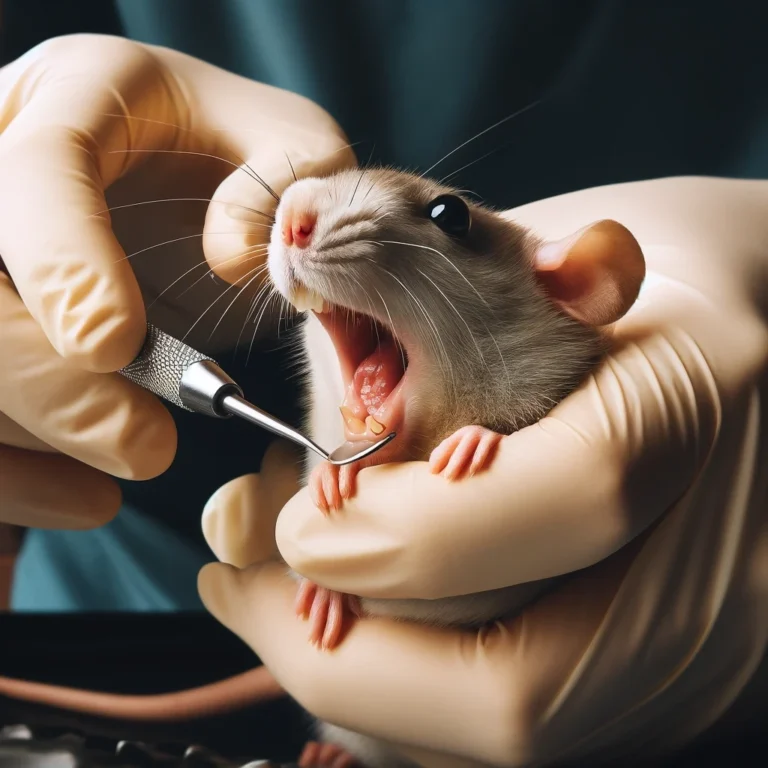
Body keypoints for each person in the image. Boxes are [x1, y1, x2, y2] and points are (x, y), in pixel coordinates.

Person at [0, 1, 765, 764]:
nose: (292, 225)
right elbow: (330, 461)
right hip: (119, 593)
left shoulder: (569, 365)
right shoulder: (358, 371)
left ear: (570, 281)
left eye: (442, 215)